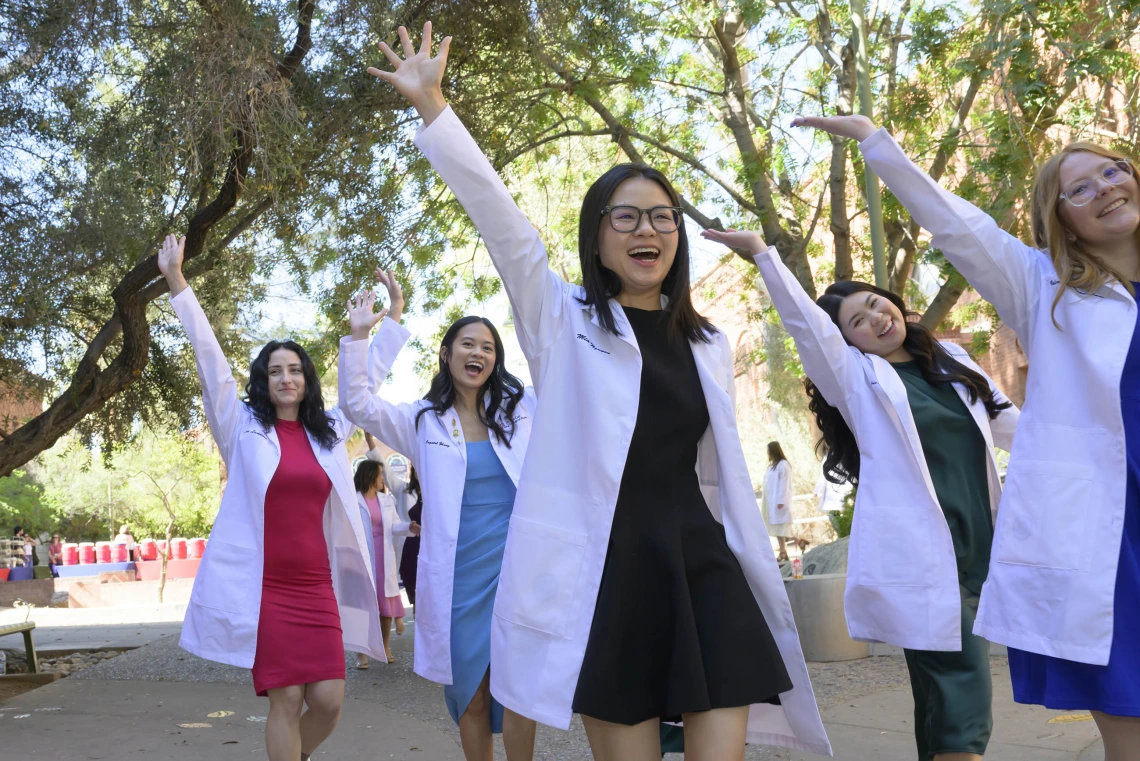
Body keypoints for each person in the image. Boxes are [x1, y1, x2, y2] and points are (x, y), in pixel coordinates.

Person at [366, 23, 830, 759]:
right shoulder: (565, 322)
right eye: (627, 216)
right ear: (599, 236)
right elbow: (505, 226)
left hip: (702, 562)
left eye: (662, 217)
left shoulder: (706, 340)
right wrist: (434, 107)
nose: (647, 229)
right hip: (609, 571)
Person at [792, 112, 1140, 761]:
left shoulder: (954, 368)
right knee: (1116, 716)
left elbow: (1011, 420)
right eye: (1081, 188)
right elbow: (956, 225)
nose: (1106, 187)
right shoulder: (1045, 289)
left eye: (1113, 170)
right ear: (1059, 218)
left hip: (987, 533)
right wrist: (877, 143)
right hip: (1098, 534)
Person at [705, 225, 1019, 761]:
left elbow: (1020, 430)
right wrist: (763, 257)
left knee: (940, 696)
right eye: (857, 321)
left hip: (981, 545)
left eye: (876, 304)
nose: (876, 318)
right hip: (923, 558)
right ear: (846, 341)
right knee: (962, 694)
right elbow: (809, 329)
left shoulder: (952, 362)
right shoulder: (859, 381)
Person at [157, 234, 384, 761]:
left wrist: (362, 335)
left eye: (295, 370)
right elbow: (211, 364)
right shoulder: (242, 428)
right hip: (267, 590)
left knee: (329, 702)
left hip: (316, 586)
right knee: (285, 700)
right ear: (264, 380)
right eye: (275, 371)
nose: (286, 377)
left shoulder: (328, 432)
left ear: (306, 380)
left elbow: (360, 392)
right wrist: (177, 281)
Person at [340, 270, 539, 761]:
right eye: (467, 344)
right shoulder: (422, 419)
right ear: (446, 355)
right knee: (468, 692)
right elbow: (357, 402)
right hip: (457, 578)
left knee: (518, 691)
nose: (478, 354)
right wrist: (367, 334)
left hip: (516, 570)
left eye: (488, 347)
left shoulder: (524, 410)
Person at [354, 459, 420, 669]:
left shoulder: (386, 500)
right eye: (380, 474)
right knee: (364, 605)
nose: (383, 478)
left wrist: (409, 527)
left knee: (385, 602)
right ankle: (362, 653)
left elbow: (393, 526)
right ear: (370, 476)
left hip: (384, 556)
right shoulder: (354, 500)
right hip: (363, 556)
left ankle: (384, 647)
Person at [762, 441, 796, 561]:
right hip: (770, 500)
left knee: (782, 527)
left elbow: (784, 483)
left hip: (779, 501)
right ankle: (783, 552)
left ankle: (785, 550)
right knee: (777, 528)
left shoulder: (783, 464)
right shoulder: (772, 465)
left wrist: (781, 500)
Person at [397, 467, 423, 609]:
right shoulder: (404, 490)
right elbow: (387, 473)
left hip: (431, 546)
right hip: (411, 547)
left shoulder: (436, 490)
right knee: (415, 593)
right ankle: (418, 627)